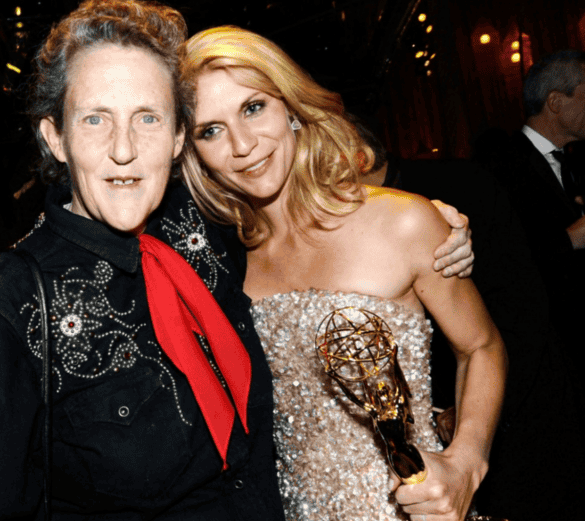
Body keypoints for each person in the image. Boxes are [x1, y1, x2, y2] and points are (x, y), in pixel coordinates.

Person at [0, 2, 472, 519]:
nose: (124, 149)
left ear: (175, 139)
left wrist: (433, 223)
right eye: (96, 120)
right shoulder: (6, 303)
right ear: (55, 137)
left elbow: (310, 206)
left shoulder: (208, 231)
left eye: (147, 118)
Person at [181, 26, 506, 521]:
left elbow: (481, 346)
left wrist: (466, 462)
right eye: (210, 130)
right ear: (194, 154)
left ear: (289, 106)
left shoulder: (402, 220)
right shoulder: (222, 265)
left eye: (253, 108)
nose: (242, 144)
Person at [358, 118, 585, 521]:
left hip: (515, 398)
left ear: (356, 156)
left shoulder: (454, 188)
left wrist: (468, 416)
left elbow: (516, 306)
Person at [487, 49, 585, 520]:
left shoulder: (578, 164)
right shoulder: (499, 168)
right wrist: (571, 238)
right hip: (547, 364)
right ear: (557, 101)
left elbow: (582, 260)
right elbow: (494, 269)